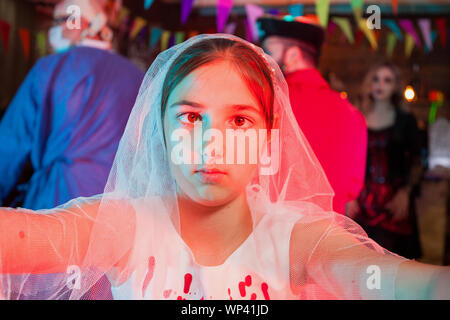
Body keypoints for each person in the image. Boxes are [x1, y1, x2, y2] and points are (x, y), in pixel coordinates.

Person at [0, 34, 449, 300]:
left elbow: (408, 284)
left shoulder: (298, 241)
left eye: (239, 120)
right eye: (191, 117)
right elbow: (29, 238)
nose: (210, 144)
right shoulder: (127, 226)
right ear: (160, 129)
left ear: (268, 135)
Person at [0, 0, 144, 299]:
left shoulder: (49, 69)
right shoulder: (137, 76)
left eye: (60, 21)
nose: (55, 29)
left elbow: (9, 148)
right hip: (116, 213)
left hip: (54, 205)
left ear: (79, 23)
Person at [257, 15, 367, 215]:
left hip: (274, 235)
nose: (263, 62)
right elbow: (352, 190)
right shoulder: (353, 115)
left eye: (268, 54)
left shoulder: (267, 102)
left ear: (292, 56)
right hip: (329, 239)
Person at [346, 62, 423, 260]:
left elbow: (417, 159)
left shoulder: (406, 120)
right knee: (360, 259)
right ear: (369, 84)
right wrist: (349, 196)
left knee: (392, 261)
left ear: (395, 86)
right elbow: (349, 158)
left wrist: (406, 192)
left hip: (393, 200)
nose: (380, 84)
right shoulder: (358, 117)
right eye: (376, 79)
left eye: (387, 80)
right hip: (362, 200)